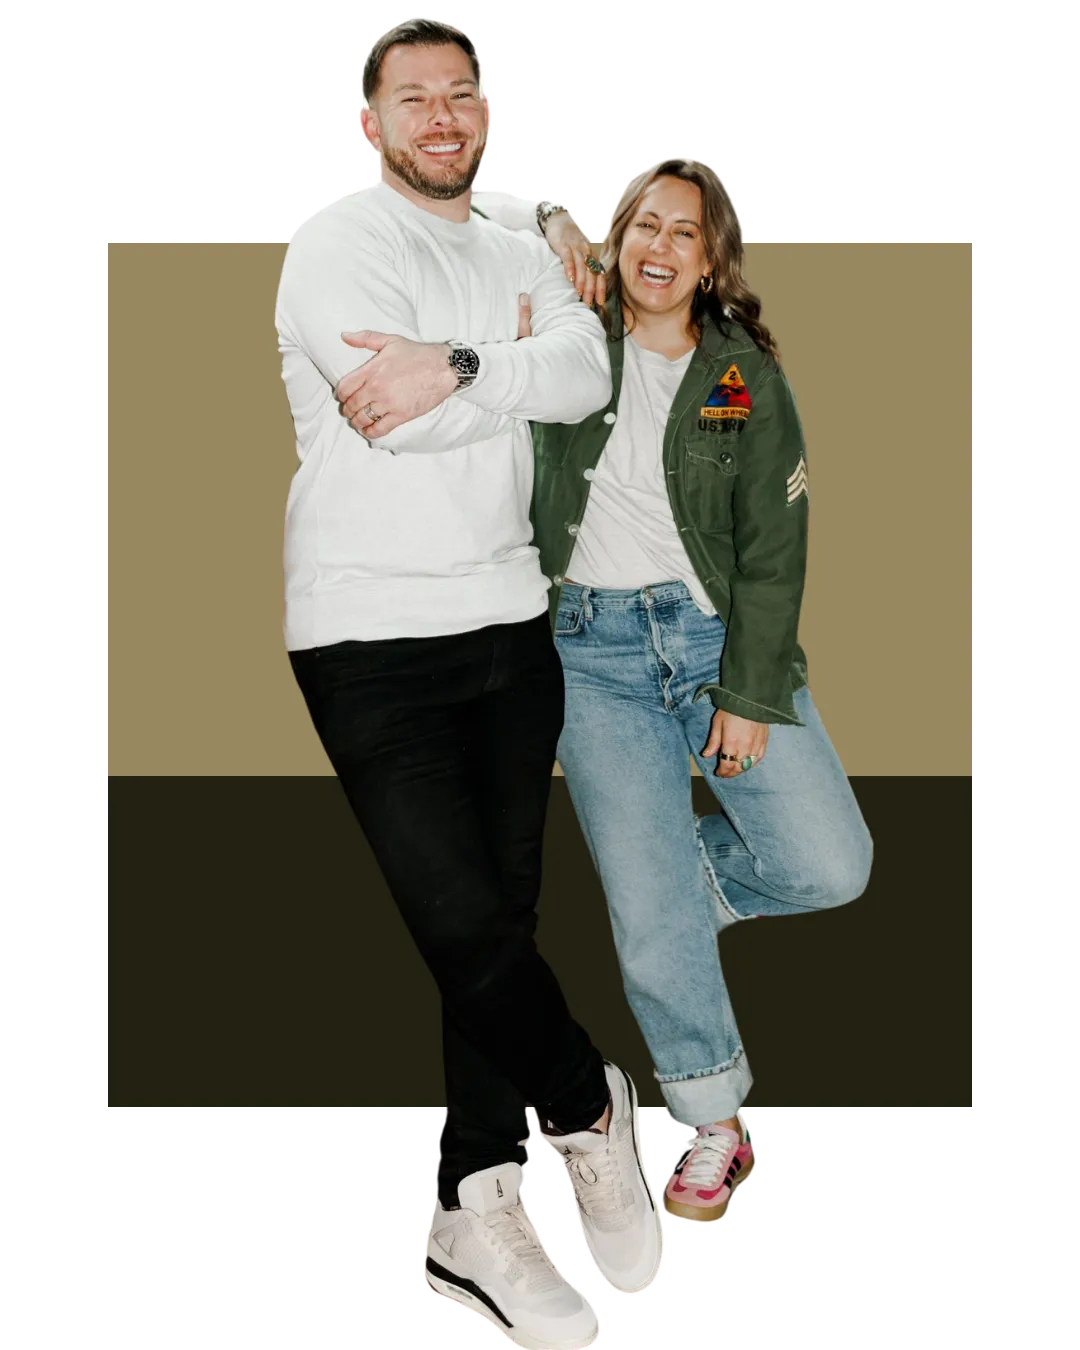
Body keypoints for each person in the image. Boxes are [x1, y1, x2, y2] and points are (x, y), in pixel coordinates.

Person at [339, 160, 874, 1226]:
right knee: (651, 919)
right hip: (588, 655)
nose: (661, 247)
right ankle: (712, 1118)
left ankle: (674, 890)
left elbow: (776, 550)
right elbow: (447, 201)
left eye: (687, 233)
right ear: (617, 240)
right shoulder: (568, 337)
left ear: (711, 260)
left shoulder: (742, 375)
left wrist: (749, 692)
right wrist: (550, 219)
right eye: (645, 226)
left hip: (714, 641)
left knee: (829, 864)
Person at [273, 20, 663, 1346]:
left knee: (502, 915)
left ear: (486, 113)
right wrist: (506, 368)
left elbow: (584, 375)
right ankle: (590, 1106)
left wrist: (456, 358)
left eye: (461, 96)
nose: (439, 116)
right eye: (412, 100)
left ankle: (472, 1199)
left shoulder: (518, 239)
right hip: (366, 632)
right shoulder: (330, 241)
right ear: (368, 123)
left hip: (510, 619)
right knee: (461, 929)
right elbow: (387, 415)